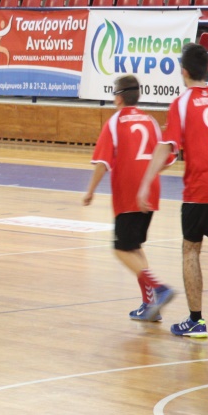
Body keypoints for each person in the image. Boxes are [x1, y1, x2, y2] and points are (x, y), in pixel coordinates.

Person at [83, 75, 175, 322]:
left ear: (118, 98)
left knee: (121, 250)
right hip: (151, 191)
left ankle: (159, 289)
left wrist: (90, 191)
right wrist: (148, 177)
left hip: (128, 193)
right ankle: (150, 305)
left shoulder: (115, 123)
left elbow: (102, 163)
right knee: (134, 247)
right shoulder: (151, 122)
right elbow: (166, 159)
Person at [138, 43, 208, 338]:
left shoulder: (182, 104)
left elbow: (166, 147)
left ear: (183, 71)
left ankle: (196, 321)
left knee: (191, 250)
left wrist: (146, 181)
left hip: (199, 191)